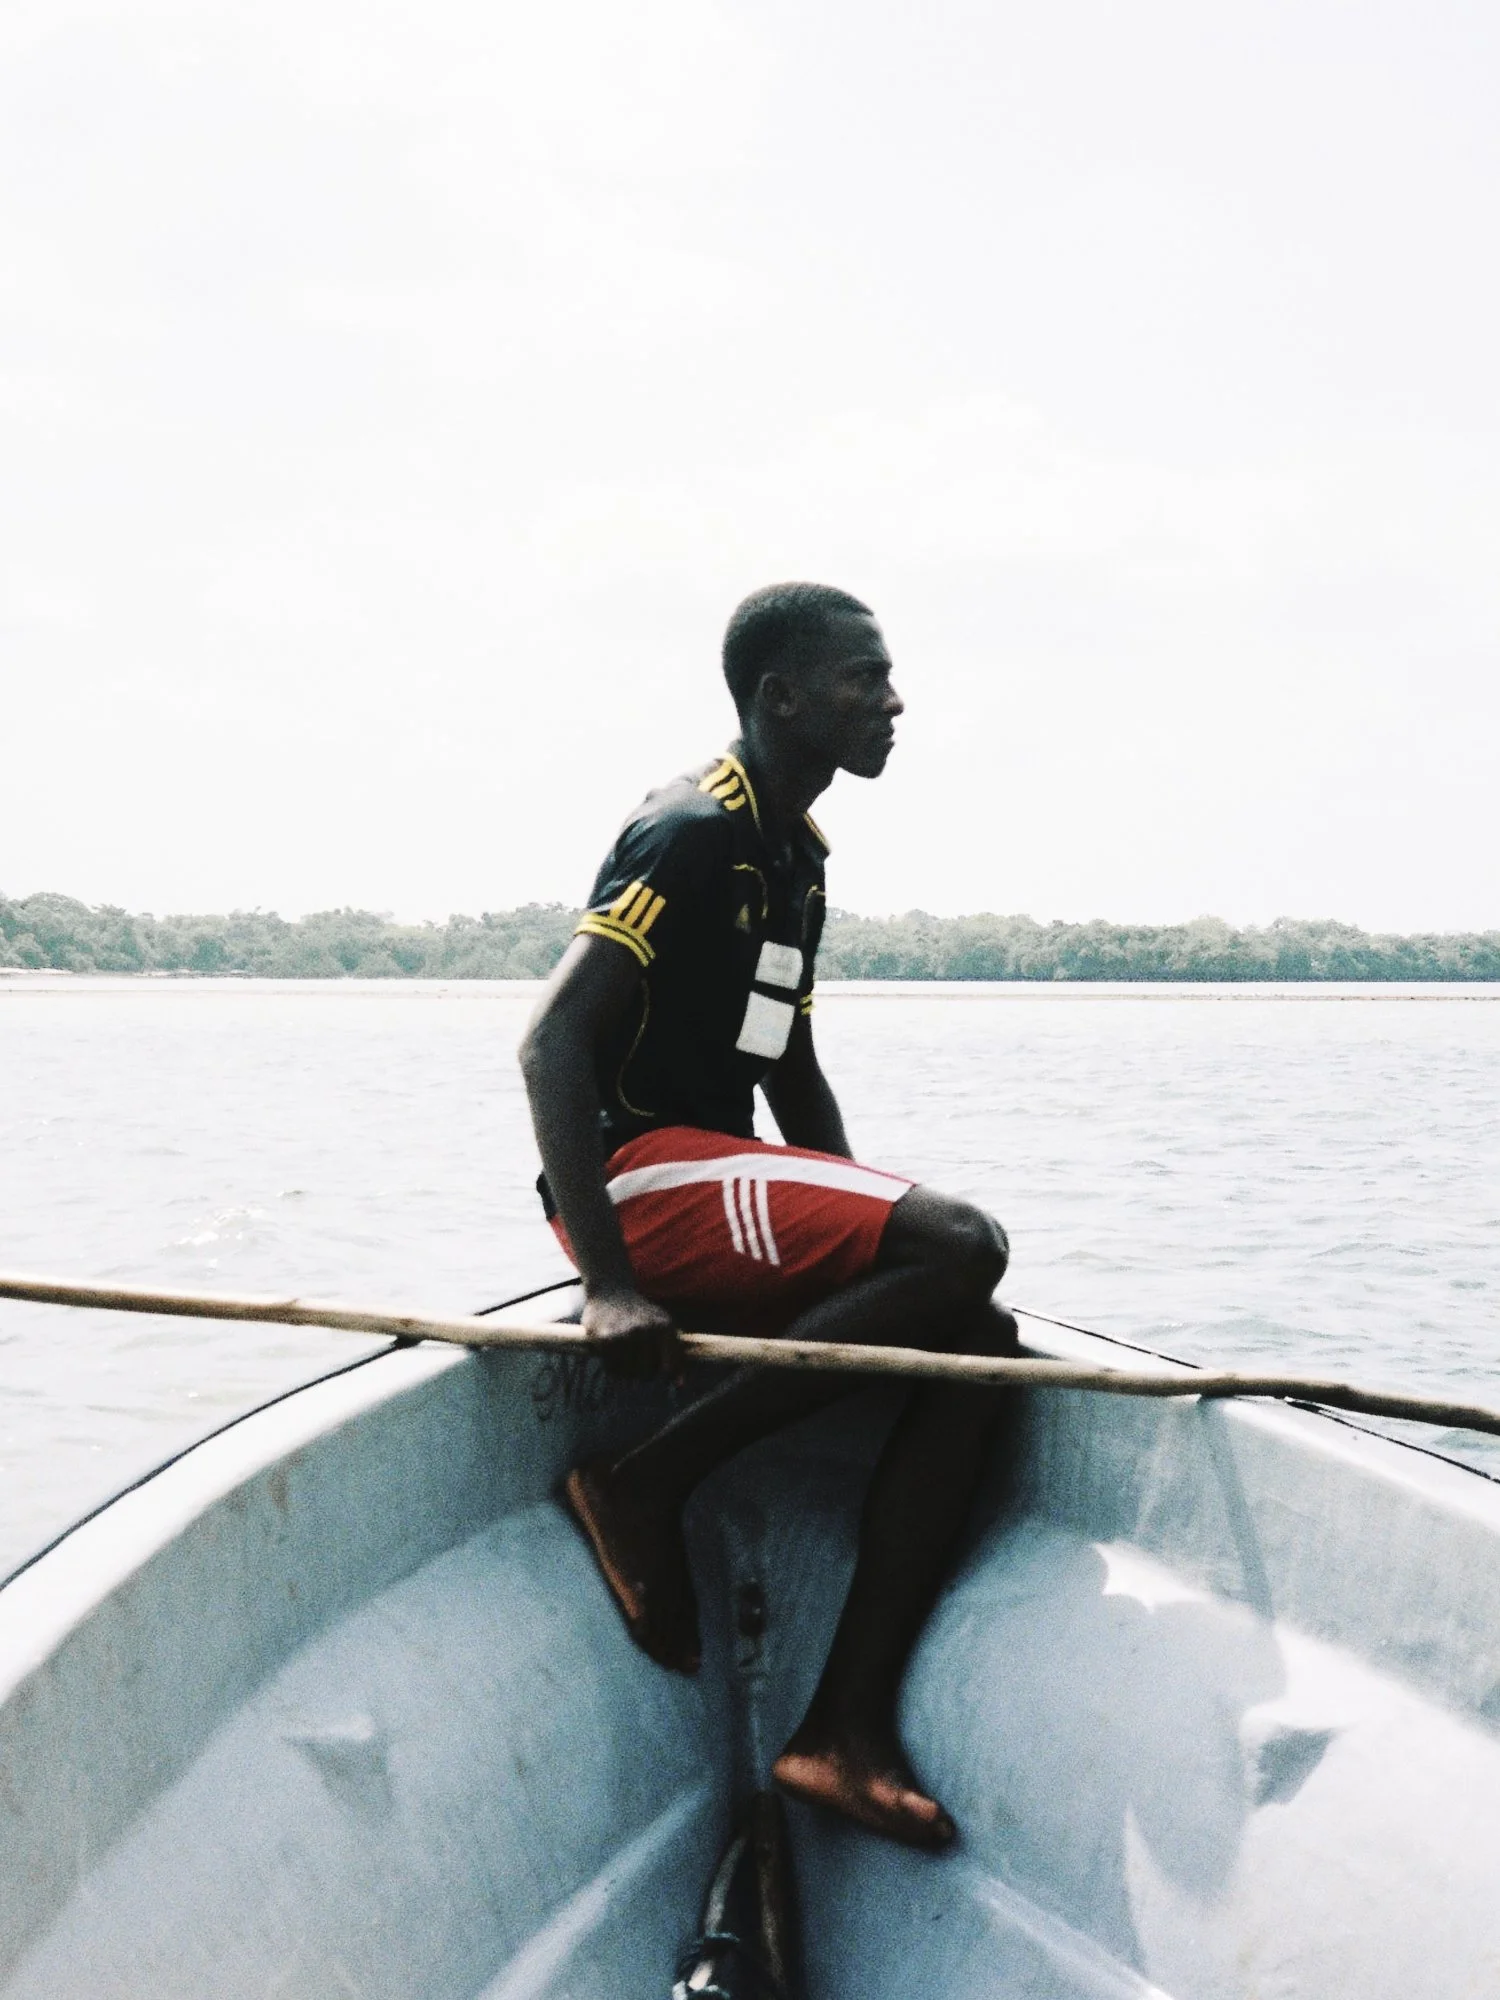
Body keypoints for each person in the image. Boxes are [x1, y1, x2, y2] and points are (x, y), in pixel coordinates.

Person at [519, 582, 1016, 1850]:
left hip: (716, 1176)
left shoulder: (795, 860)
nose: (894, 701)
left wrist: (866, 1251)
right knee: (965, 1242)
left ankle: (840, 1727)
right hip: (634, 1180)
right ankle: (639, 1483)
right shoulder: (690, 830)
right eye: (866, 677)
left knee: (976, 1336)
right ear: (782, 696)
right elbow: (551, 1042)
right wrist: (609, 1283)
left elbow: (786, 1067)